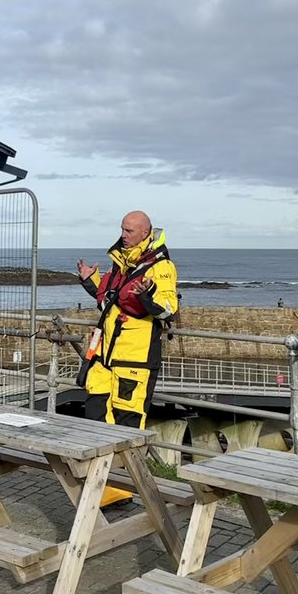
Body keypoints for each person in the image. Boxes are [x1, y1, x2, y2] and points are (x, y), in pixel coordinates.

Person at [76, 211, 177, 505]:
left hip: (134, 362)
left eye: (130, 230)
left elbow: (168, 308)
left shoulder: (161, 267)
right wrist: (89, 281)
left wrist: (147, 296)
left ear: (146, 233)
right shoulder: (121, 262)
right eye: (122, 229)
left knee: (127, 426)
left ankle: (124, 491)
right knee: (95, 416)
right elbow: (110, 301)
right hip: (105, 357)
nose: (124, 234)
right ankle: (101, 487)